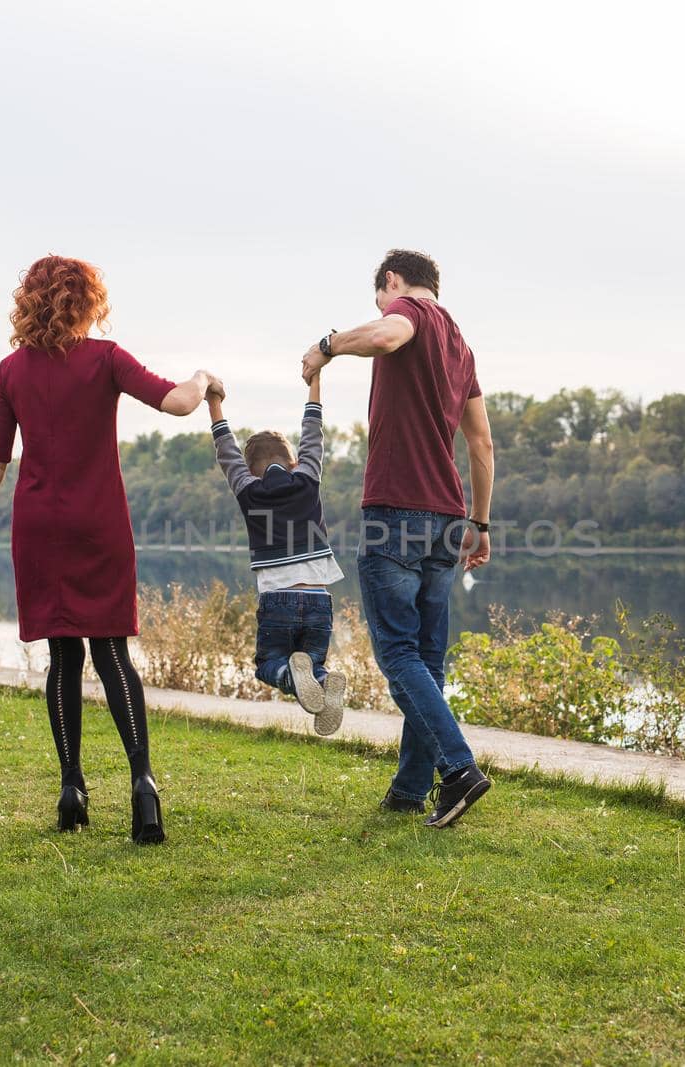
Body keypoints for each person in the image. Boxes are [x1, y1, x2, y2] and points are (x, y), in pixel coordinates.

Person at [0, 255, 217, 842]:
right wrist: (203, 378)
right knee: (112, 653)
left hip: (39, 530)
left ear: (28, 302)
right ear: (88, 300)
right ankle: (143, 783)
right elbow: (177, 402)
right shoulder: (106, 359)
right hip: (99, 524)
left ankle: (72, 786)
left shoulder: (11, 371)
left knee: (63, 657)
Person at [300, 249, 496, 828]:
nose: (385, 308)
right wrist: (480, 525)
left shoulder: (407, 309)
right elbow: (482, 446)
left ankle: (458, 768)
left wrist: (327, 347)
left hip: (396, 512)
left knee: (397, 652)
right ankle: (412, 789)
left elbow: (389, 334)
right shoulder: (462, 347)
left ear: (391, 282)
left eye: (381, 297)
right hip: (447, 518)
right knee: (427, 660)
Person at [206, 370, 348, 735]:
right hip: (318, 598)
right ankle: (322, 679)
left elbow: (227, 453)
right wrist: (314, 380)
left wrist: (214, 402)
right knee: (313, 664)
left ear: (250, 471)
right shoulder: (308, 477)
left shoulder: (248, 490)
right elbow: (313, 433)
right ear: (294, 462)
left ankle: (289, 674)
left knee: (268, 664)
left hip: (277, 599)